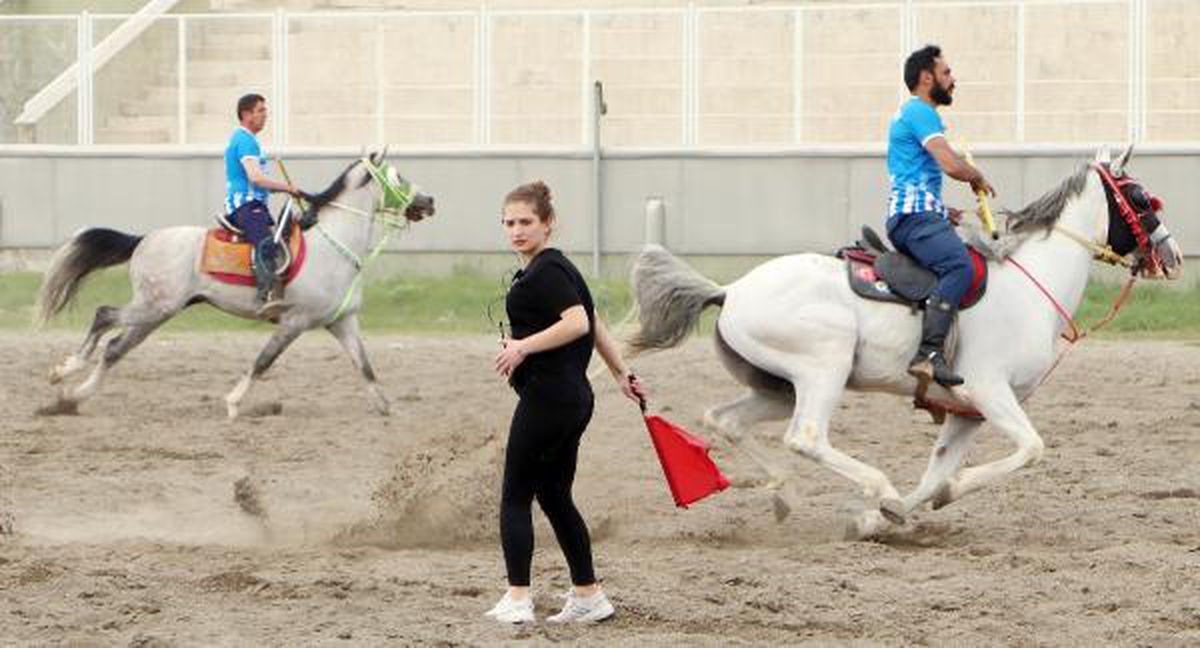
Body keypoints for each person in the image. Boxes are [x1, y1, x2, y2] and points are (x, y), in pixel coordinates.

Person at [487, 181, 645, 625]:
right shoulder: (555, 268)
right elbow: (593, 319)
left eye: (526, 222)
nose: (516, 230)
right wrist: (619, 373)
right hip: (574, 399)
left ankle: (518, 598)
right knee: (554, 495)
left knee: (515, 496)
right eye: (509, 223)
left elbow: (576, 323)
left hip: (549, 399)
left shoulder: (546, 271)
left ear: (548, 224)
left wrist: (522, 347)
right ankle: (588, 596)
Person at [886, 44, 996, 388]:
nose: (953, 79)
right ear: (925, 77)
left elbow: (913, 175)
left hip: (919, 213)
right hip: (913, 218)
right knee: (959, 265)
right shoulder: (920, 111)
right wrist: (975, 176)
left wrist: (942, 210)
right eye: (946, 73)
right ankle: (929, 354)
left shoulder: (915, 114)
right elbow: (949, 163)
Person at [224, 93, 303, 314]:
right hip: (245, 205)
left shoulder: (250, 140)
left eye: (265, 110)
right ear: (246, 114)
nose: (265, 115)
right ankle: (266, 295)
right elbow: (255, 178)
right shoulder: (245, 140)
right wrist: (287, 188)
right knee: (267, 243)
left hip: (254, 205)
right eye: (260, 111)